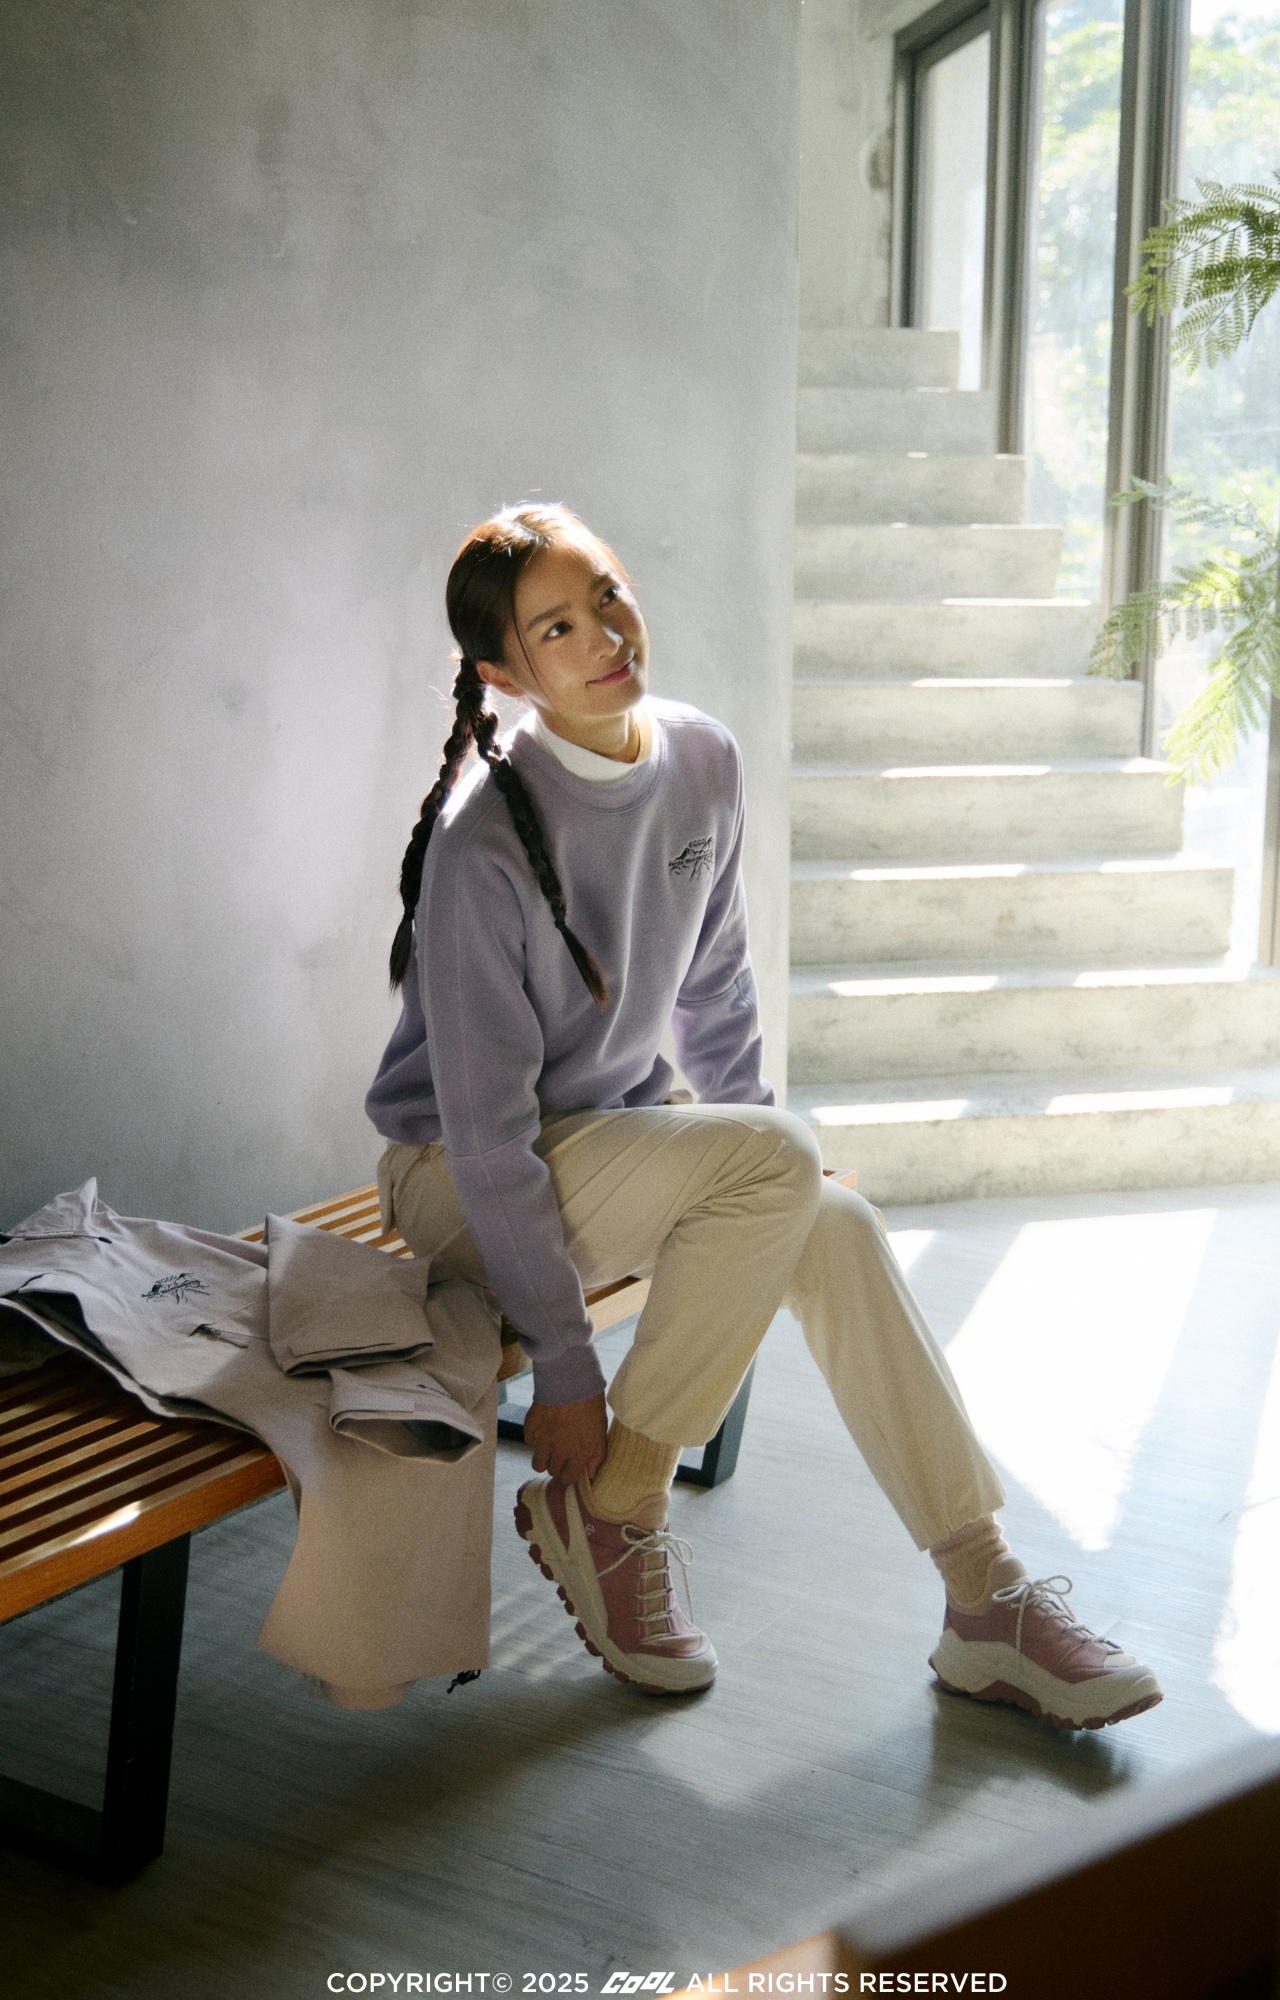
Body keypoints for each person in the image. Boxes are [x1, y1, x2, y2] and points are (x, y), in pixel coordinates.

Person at [365, 503, 1163, 1730]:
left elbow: (716, 986)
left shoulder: (701, 759)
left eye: (607, 593)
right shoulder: (481, 847)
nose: (605, 635)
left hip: (613, 1142)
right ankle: (619, 1503)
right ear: (504, 675)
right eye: (556, 627)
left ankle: (983, 1596)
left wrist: (774, 1166)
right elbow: (482, 1136)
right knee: (782, 1170)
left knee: (830, 1219)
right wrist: (566, 1369)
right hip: (459, 1179)